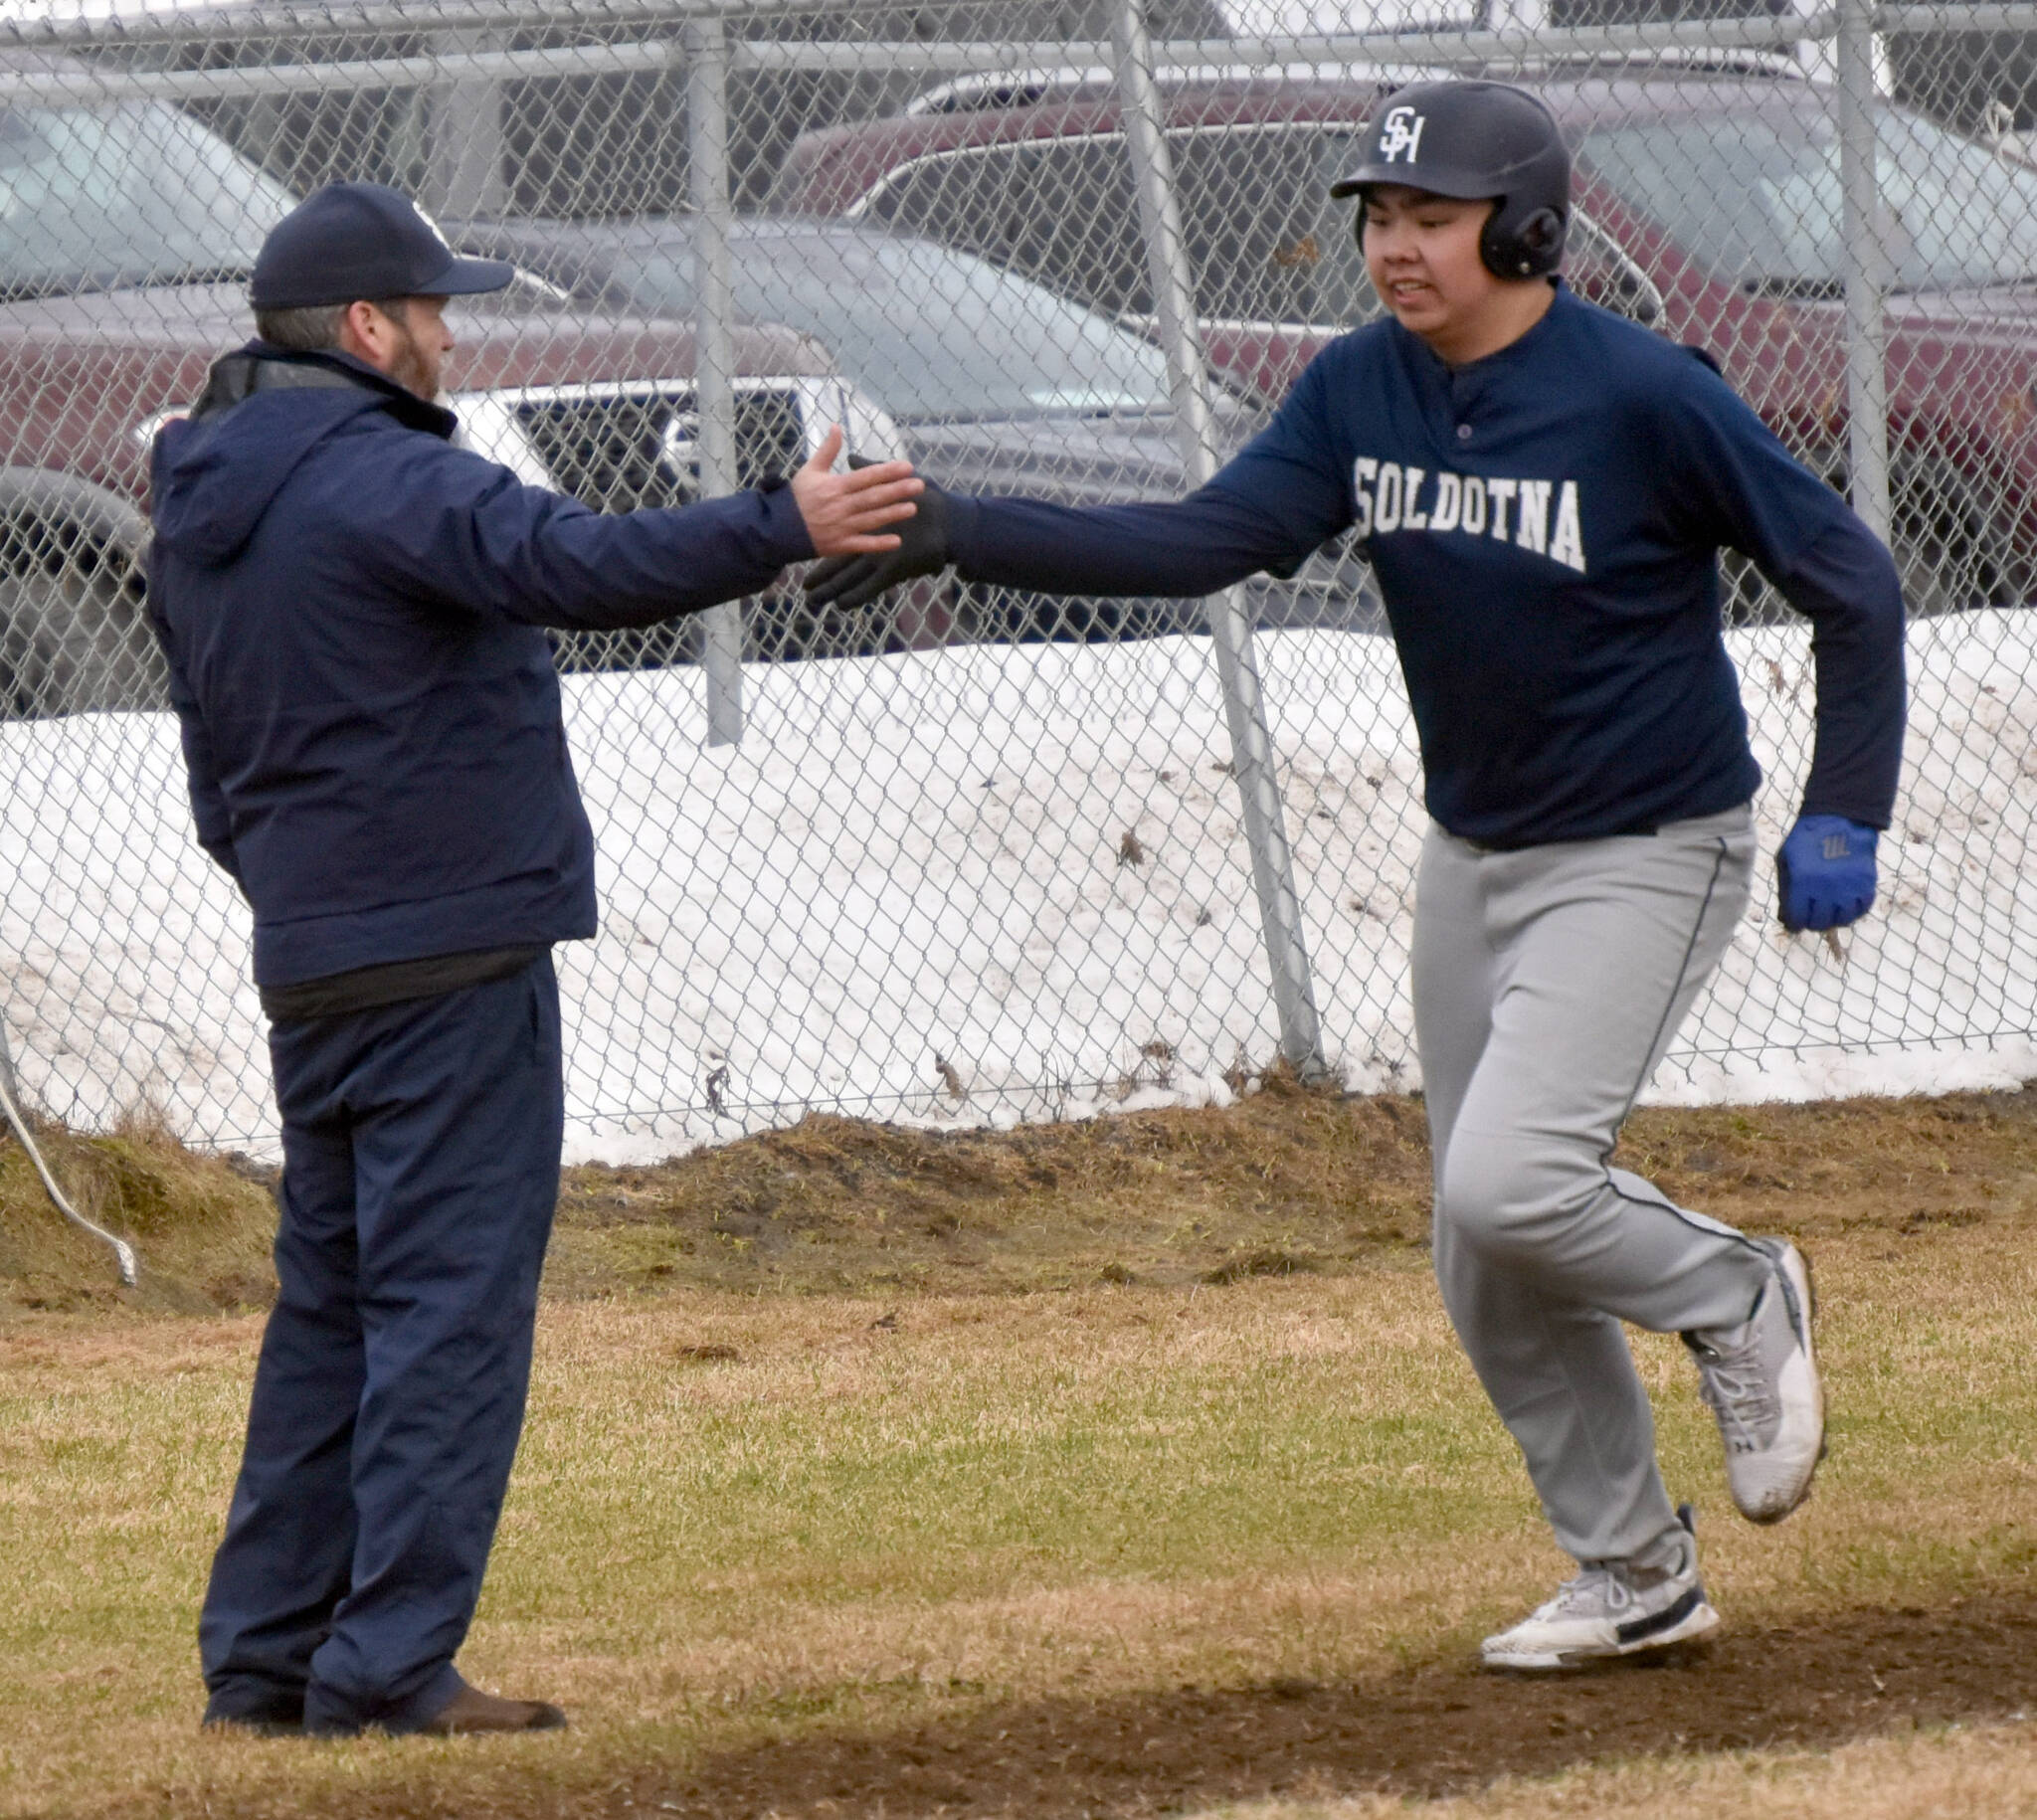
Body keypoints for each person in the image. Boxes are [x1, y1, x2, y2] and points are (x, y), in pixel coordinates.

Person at [805, 82, 1905, 1671]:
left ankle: (1737, 1288)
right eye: (1379, 216)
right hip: (1477, 852)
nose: (1393, 246)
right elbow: (1203, 541)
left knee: (1514, 1181)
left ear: (1526, 230)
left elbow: (1852, 580)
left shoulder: (1645, 395)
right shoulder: (1359, 389)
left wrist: (1845, 804)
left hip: (1646, 846)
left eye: (1430, 218)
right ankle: (1633, 1568)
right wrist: (955, 528)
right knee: (1481, 1251)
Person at [149, 182, 922, 1735]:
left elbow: (217, 782)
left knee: (333, 1308)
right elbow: (575, 565)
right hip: (447, 957)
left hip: (317, 960)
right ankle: (385, 1668)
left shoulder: (200, 508)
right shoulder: (382, 481)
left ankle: (266, 1659)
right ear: (366, 329)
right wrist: (784, 523)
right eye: (431, 308)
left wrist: (314, 895)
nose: (447, 334)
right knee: (446, 1308)